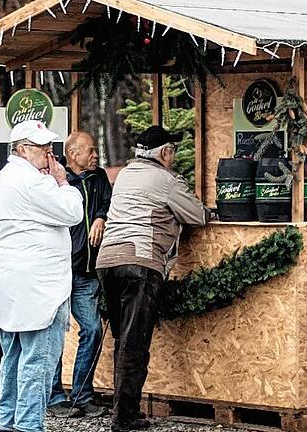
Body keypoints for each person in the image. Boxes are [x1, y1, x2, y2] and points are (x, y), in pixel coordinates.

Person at [96, 126, 211, 432]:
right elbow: (197, 216)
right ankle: (124, 417)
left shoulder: (124, 175)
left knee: (122, 339)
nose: (173, 157)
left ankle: (121, 408)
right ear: (164, 153)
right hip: (140, 263)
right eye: (172, 151)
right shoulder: (166, 180)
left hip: (108, 262)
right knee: (135, 343)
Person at [0, 120, 84, 432]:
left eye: (48, 146)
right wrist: (63, 182)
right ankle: (29, 426)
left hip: (10, 285)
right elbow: (72, 213)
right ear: (21, 149)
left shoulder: (2, 180)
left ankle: (7, 423)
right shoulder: (34, 181)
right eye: (42, 147)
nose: (49, 152)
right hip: (40, 287)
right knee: (38, 361)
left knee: (13, 357)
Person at [48, 132, 112, 418]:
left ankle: (82, 395)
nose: (96, 155)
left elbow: (108, 203)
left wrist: (101, 217)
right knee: (56, 335)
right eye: (90, 150)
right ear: (72, 154)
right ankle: (53, 396)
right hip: (61, 271)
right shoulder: (54, 180)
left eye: (96, 150)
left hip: (87, 272)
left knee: (93, 329)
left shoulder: (98, 178)